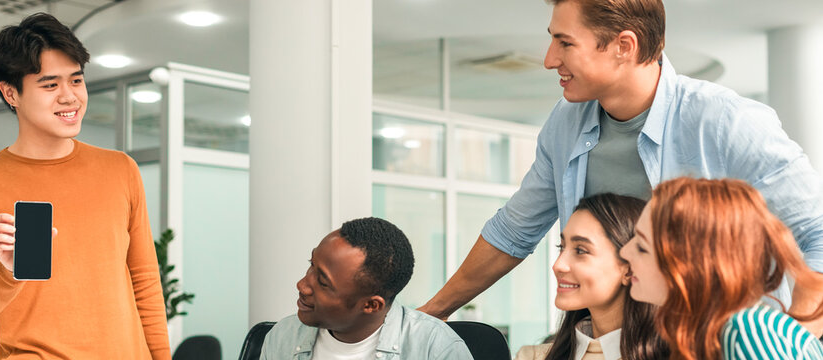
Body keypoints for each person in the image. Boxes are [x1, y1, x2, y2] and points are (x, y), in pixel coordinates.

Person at [417, 0, 823, 336]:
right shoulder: (565, 122)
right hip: (610, 339)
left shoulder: (725, 121)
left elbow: (816, 232)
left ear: (623, 46)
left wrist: (793, 337)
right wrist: (434, 313)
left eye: (565, 42)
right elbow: (513, 230)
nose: (549, 59)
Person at [0, 13, 169, 359]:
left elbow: (145, 284)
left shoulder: (120, 170)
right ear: (11, 93)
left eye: (76, 81)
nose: (70, 97)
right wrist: (7, 271)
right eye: (50, 85)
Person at [620, 177, 823, 359]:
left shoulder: (747, 332)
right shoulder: (706, 333)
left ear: (693, 268)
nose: (624, 252)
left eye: (641, 247)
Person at [259, 217, 473, 360]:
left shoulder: (435, 348)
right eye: (311, 265)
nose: (302, 286)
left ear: (371, 305)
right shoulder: (283, 337)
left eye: (323, 283)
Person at [516, 194, 668, 360]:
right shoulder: (533, 357)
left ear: (630, 269)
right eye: (562, 247)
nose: (558, 265)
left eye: (581, 250)